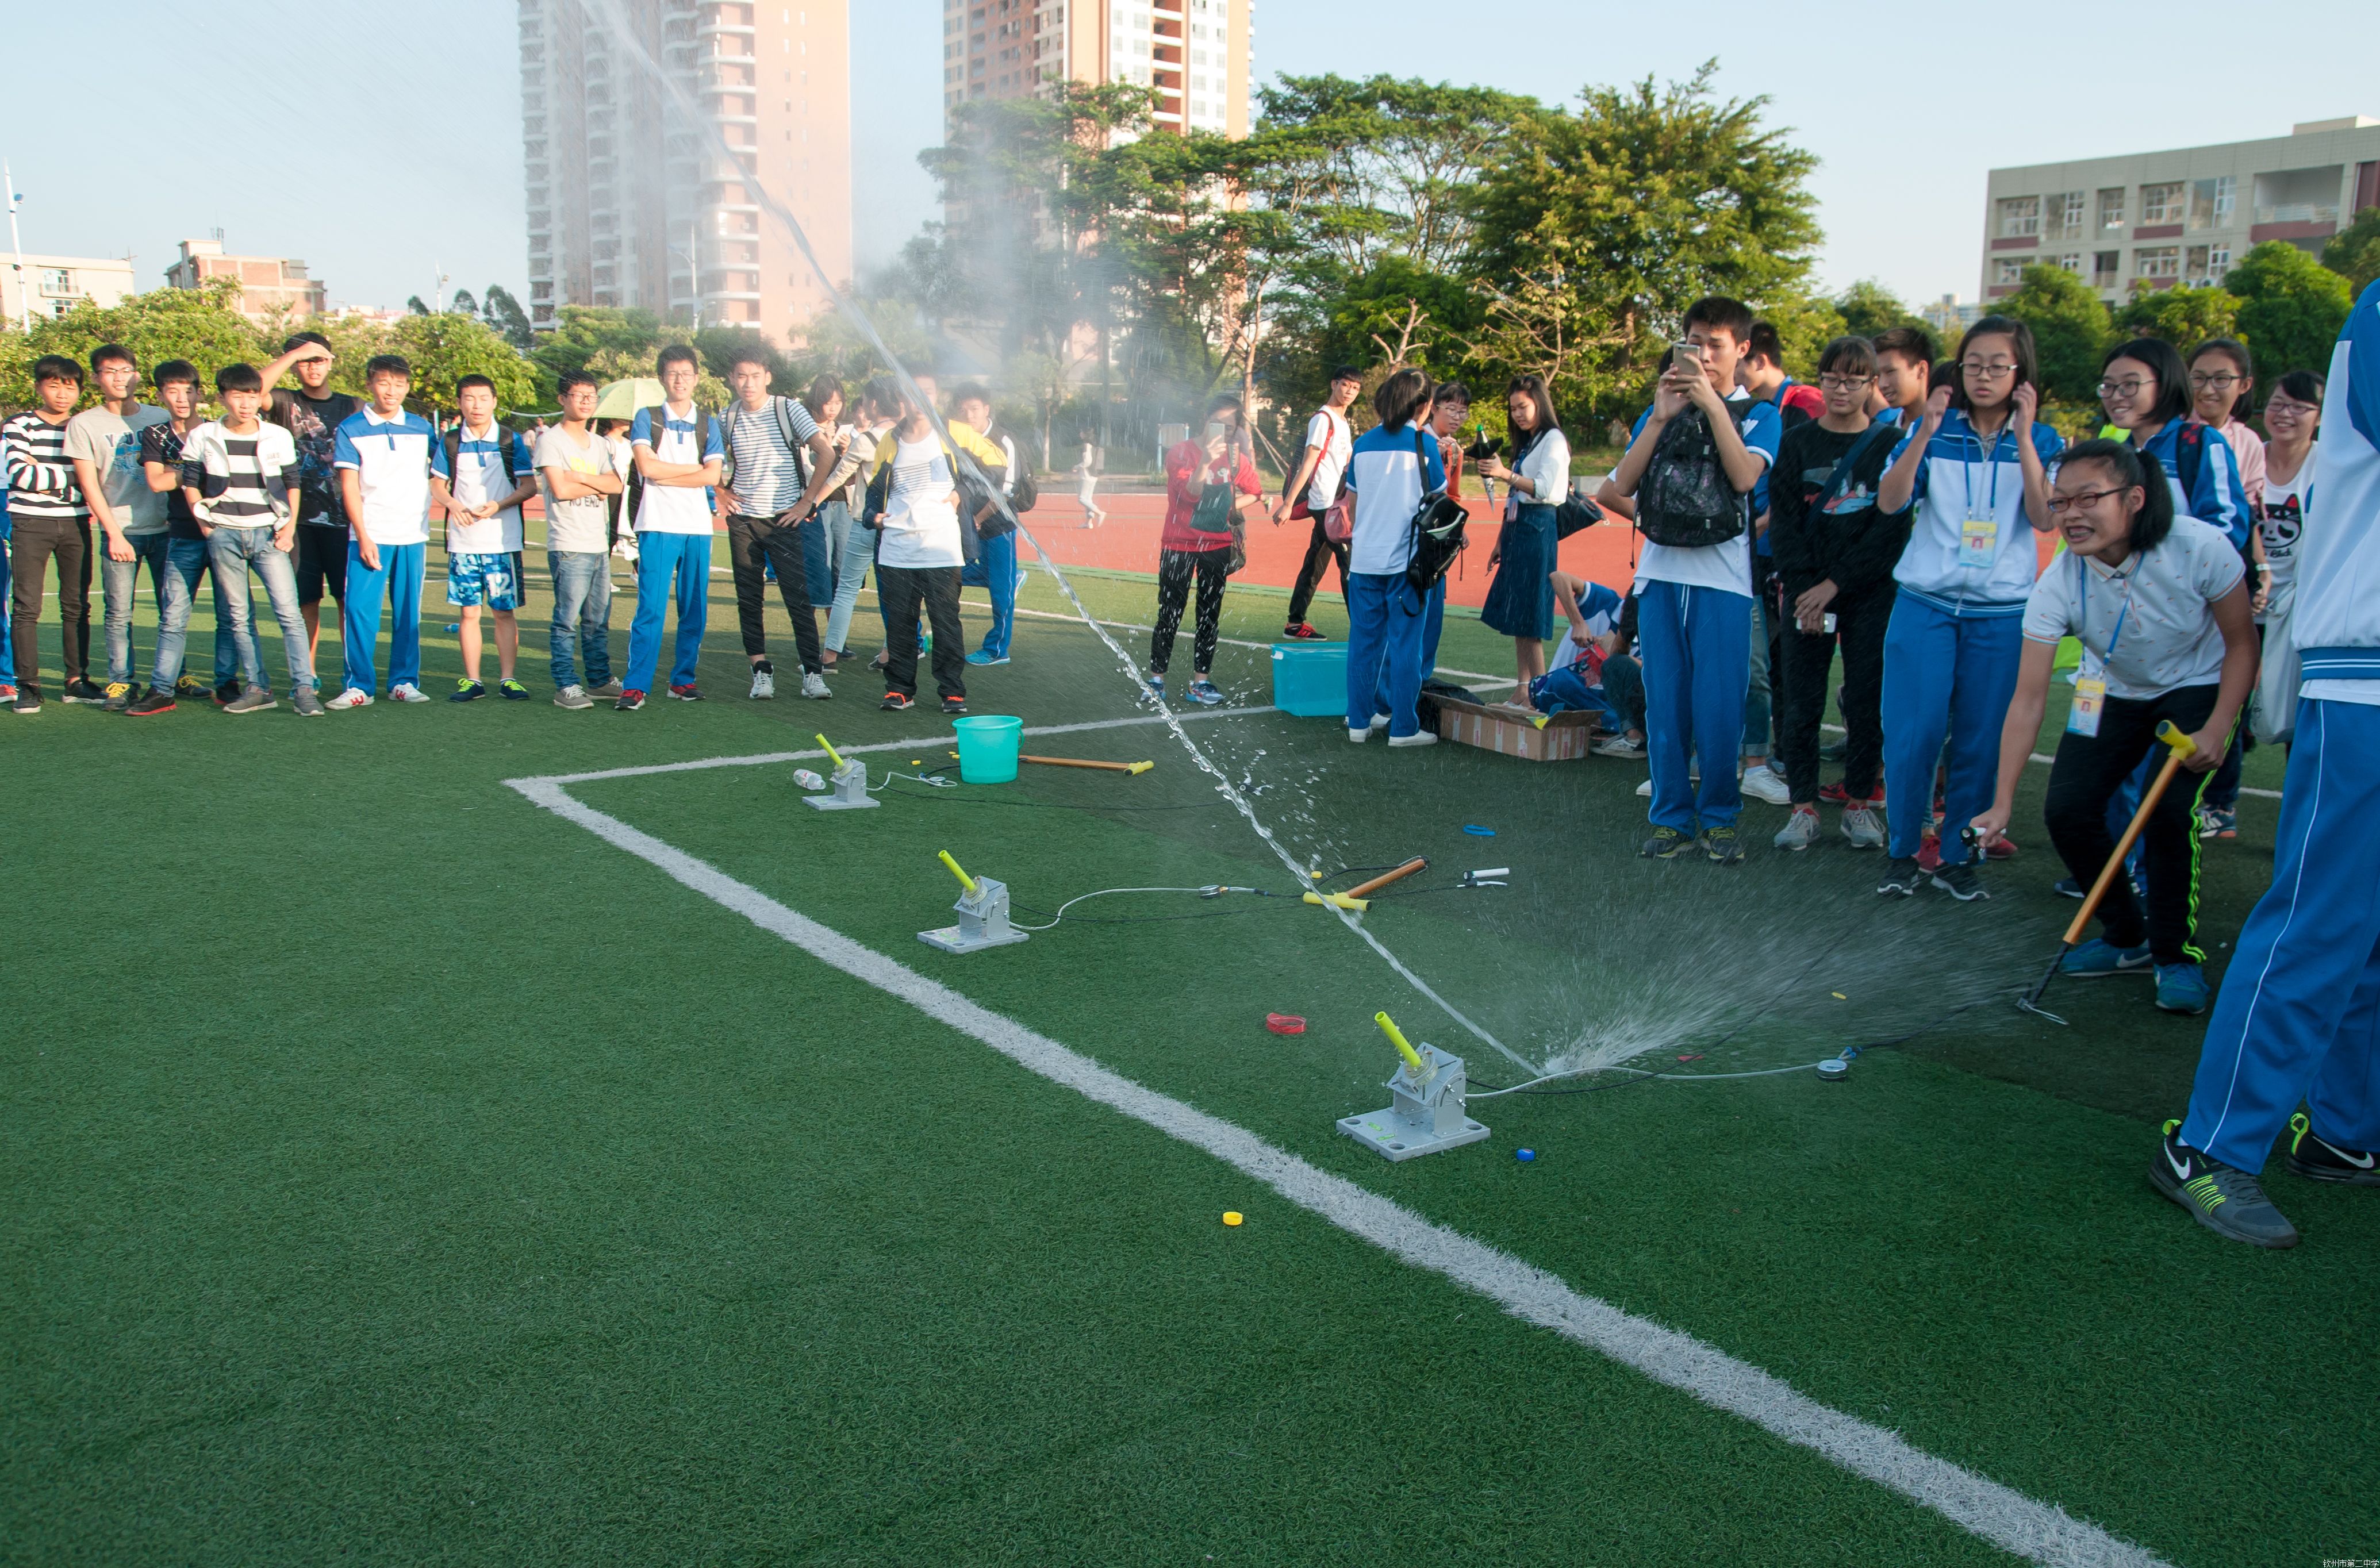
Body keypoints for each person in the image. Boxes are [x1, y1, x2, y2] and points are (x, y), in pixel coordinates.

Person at [2155, 279, 2380, 1251]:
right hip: (2369, 675)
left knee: (2364, 928)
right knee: (2321, 920)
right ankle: (2208, 1146)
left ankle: (2344, 1131)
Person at [1972, 440, 2253, 1019]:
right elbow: (2027, 700)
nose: (2070, 514)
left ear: (2134, 498)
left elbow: (2242, 643)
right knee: (2068, 811)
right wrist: (2001, 803)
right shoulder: (2057, 584)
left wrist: (2220, 727)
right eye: (2060, 502)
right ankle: (2128, 935)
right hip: (2111, 692)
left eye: (2087, 499)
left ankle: (2177, 953)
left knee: (2170, 813)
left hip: (2195, 688)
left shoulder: (2200, 547)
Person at [1871, 316, 2061, 899]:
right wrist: (1923, 434)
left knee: (1981, 738)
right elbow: (1889, 501)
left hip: (2001, 612)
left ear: (2021, 374)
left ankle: (1960, 856)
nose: (1983, 376)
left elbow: (2044, 516)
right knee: (1914, 733)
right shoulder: (1937, 428)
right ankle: (1903, 849)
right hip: (1926, 604)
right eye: (1973, 364)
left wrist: (2025, 438)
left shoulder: (2044, 439)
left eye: (1998, 366)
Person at [1603, 296, 1783, 862]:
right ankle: (1673, 818)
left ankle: (1722, 818)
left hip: (1724, 583)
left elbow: (1745, 474)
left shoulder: (1760, 414)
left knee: (1719, 707)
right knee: (1666, 706)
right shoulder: (1658, 408)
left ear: (1743, 349)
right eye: (1694, 342)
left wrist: (1710, 404)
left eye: (1716, 344)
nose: (1703, 354)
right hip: (1660, 579)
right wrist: (1660, 416)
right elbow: (1621, 484)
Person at [1768, 336, 1909, 852]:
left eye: (1854, 380)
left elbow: (1889, 531)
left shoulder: (1889, 442)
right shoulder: (1798, 440)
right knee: (1801, 699)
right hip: (1806, 594)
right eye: (1832, 378)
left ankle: (1858, 803)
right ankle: (1803, 805)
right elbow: (1783, 522)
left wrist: (1834, 585)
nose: (1841, 389)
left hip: (1867, 591)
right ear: (1820, 380)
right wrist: (1805, 587)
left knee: (1867, 698)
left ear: (1873, 385)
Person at [179, 363, 321, 715]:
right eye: (237, 395)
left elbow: (292, 483)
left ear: (261, 396)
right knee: (239, 617)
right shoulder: (204, 435)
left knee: (289, 614)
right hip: (224, 533)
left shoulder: (277, 435)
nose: (246, 403)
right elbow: (189, 481)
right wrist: (207, 526)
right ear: (223, 397)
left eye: (252, 395)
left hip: (269, 535)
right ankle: (258, 687)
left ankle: (304, 689)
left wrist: (287, 527)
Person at [328, 354, 446, 708]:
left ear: (408, 387)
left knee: (408, 613)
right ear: (369, 384)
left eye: (399, 384)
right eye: (383, 382)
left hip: (412, 533)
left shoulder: (422, 428)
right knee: (360, 611)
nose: (391, 390)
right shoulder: (351, 427)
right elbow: (349, 486)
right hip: (371, 533)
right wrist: (363, 534)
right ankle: (359, 684)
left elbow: (441, 474)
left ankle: (403, 682)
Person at [718, 347, 836, 700]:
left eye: (755, 376)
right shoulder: (727, 417)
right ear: (731, 379)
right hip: (743, 519)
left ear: (767, 377)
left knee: (798, 599)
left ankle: (813, 674)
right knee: (749, 599)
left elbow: (826, 452)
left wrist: (807, 501)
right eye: (741, 376)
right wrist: (719, 491)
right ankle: (761, 671)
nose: (748, 383)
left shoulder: (788, 408)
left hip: (785, 519)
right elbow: (706, 460)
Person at [2184, 337, 2266, 836]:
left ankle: (2221, 801)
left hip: (2223, 578)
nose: (2208, 388)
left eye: (2221, 379)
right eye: (2199, 377)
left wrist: (2261, 574)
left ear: (2244, 386)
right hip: (2170, 587)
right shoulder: (2174, 433)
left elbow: (2248, 518)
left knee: (2222, 689)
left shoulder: (2245, 443)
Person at [1341, 367, 1445, 747]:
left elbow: (1351, 504)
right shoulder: (1424, 446)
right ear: (1423, 405)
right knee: (1406, 645)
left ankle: (1358, 722)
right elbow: (1438, 502)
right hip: (1407, 564)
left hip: (1365, 560)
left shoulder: (1363, 444)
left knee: (1363, 643)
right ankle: (1403, 726)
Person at [619, 345, 726, 710]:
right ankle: (635, 685)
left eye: (686, 374)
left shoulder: (708, 422)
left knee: (694, 608)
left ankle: (682, 680)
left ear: (697, 378)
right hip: (658, 523)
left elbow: (713, 475)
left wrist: (667, 470)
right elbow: (647, 470)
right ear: (662, 378)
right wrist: (691, 474)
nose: (680, 380)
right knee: (651, 607)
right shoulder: (647, 417)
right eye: (672, 374)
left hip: (697, 526)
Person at [64, 344, 170, 709]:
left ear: (137, 374)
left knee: (171, 608)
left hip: (166, 529)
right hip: (121, 531)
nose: (119, 378)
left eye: (126, 370)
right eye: (110, 371)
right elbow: (89, 483)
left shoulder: (160, 416)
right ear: (96, 378)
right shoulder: (84, 424)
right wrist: (114, 533)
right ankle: (121, 682)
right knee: (119, 611)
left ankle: (174, 677)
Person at [123, 362, 230, 714]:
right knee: (173, 615)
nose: (182, 399)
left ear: (199, 394)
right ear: (160, 396)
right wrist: (199, 469)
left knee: (229, 613)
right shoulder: (155, 433)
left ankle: (227, 685)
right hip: (182, 535)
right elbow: (156, 482)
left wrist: (179, 472)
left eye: (188, 391)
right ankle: (162, 689)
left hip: (223, 531)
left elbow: (227, 480)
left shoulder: (219, 430)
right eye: (172, 391)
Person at [864, 376, 974, 714]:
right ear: (901, 398)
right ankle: (899, 690)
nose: (918, 400)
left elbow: (991, 469)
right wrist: (875, 518)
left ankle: (952, 691)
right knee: (899, 623)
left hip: (940, 547)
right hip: (897, 549)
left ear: (936, 395)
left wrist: (961, 494)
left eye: (926, 392)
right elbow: (874, 493)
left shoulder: (955, 433)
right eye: (911, 394)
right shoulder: (889, 440)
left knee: (946, 622)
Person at [259, 332, 360, 675]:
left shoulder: (352, 405)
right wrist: (294, 354)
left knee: (348, 601)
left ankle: (353, 673)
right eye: (304, 360)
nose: (312, 367)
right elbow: (251, 392)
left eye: (319, 359)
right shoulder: (284, 400)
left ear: (331, 361)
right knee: (305, 602)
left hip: (344, 520)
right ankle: (308, 674)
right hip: (297, 522)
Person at [1153, 394, 1261, 706]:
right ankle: (1157, 679)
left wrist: (1229, 507)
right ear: (1205, 419)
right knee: (1169, 611)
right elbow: (1190, 496)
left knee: (1209, 613)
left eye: (1229, 428)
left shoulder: (1236, 457)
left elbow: (1255, 492)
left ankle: (1201, 682)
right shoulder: (1181, 452)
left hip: (1217, 544)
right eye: (1218, 424)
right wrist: (1205, 461)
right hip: (1179, 543)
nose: (1223, 433)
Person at [6, 354, 97, 712]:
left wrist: (47, 478)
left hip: (76, 523)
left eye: (70, 386)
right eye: (54, 384)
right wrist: (76, 478)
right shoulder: (20, 425)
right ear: (39, 386)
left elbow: (101, 479)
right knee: (27, 607)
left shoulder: (83, 425)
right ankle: (28, 685)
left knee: (76, 605)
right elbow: (20, 475)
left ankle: (77, 680)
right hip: (30, 523)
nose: (62, 393)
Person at [439, 376, 539, 701]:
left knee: (503, 612)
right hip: (463, 543)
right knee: (468, 612)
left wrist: (498, 505)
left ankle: (508, 678)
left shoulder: (509, 440)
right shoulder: (452, 441)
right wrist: (454, 505)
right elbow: (437, 485)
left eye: (483, 398)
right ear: (459, 403)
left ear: (494, 401)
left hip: (502, 543)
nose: (476, 405)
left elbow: (529, 487)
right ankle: (473, 681)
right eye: (469, 398)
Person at [1476, 375, 1567, 705]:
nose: (1517, 414)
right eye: (1513, 408)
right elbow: (1516, 494)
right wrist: (1501, 539)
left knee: (1531, 614)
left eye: (1523, 406)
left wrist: (1503, 474)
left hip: (1538, 528)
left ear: (1540, 403)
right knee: (1518, 615)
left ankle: (1539, 693)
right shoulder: (1530, 441)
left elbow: (1544, 488)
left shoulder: (1553, 439)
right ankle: (1523, 687)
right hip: (1518, 529)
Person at [533, 372, 621, 709]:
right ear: (562, 399)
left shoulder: (599, 443)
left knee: (598, 620)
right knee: (567, 621)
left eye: (591, 396)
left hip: (598, 543)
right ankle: (566, 685)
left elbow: (615, 486)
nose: (585, 401)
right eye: (578, 395)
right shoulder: (551, 440)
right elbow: (561, 489)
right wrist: (595, 484)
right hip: (569, 544)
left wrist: (582, 477)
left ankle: (598, 680)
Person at [1275, 364, 1362, 641]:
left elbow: (1346, 465)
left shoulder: (1344, 422)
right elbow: (1307, 463)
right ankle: (1364, 629)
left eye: (1356, 388)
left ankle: (1295, 622)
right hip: (1323, 503)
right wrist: (1288, 504)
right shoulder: (1322, 419)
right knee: (1350, 561)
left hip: (1335, 503)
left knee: (1316, 561)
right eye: (1346, 385)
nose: (1350, 391)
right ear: (1334, 384)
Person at [953, 383, 1023, 667]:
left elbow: (1008, 489)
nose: (969, 415)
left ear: (987, 409)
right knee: (948, 571)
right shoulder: (957, 437)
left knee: (999, 592)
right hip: (966, 521)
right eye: (963, 410)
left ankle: (997, 649)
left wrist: (979, 518)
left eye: (975, 409)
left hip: (997, 523)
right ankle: (1010, 578)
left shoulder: (1003, 440)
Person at [1528, 571, 1635, 735]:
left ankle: (1598, 721)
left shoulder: (1650, 637)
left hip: (1604, 696)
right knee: (1560, 683)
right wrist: (1578, 623)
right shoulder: (1607, 602)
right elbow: (1558, 577)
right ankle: (1617, 724)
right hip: (1561, 686)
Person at [1869, 326, 1935, 429]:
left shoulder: (1952, 434)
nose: (1882, 385)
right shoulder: (1882, 434)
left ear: (1921, 370)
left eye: (1890, 372)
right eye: (1878, 375)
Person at [1074, 430, 1105, 528]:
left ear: (1085, 435)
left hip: (1087, 475)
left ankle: (1100, 513)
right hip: (1094, 475)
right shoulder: (1094, 446)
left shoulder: (1086, 445)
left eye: (1082, 432)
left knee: (1082, 499)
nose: (1080, 434)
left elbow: (1087, 462)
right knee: (1088, 499)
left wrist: (1077, 467)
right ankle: (1089, 522)